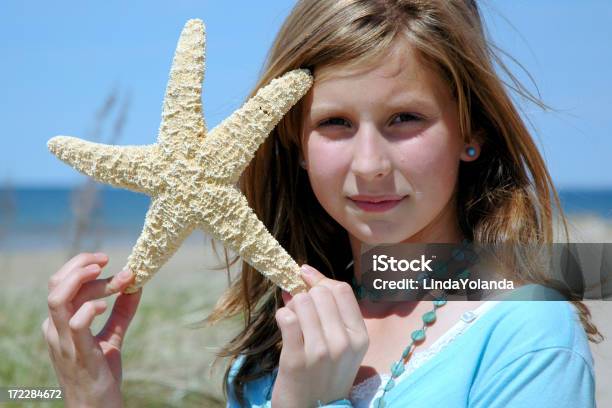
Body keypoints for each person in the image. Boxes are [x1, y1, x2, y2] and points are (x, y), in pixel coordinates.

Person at [42, 1, 601, 407]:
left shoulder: (530, 337)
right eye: (334, 123)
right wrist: (94, 397)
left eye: (405, 119)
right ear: (296, 144)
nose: (369, 164)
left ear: (469, 131)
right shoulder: (266, 352)